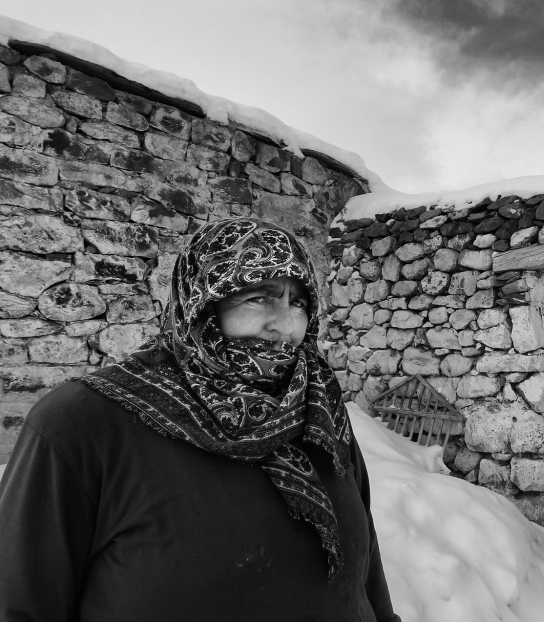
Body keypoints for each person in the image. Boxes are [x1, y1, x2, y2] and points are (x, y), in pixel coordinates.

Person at [0, 218, 402, 622]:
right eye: (259, 296)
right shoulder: (85, 424)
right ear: (200, 304)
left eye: (298, 302)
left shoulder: (319, 413)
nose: (286, 326)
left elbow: (366, 576)